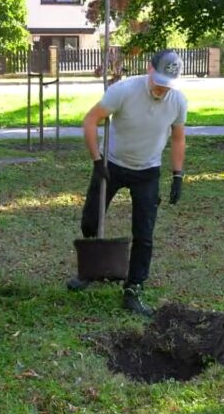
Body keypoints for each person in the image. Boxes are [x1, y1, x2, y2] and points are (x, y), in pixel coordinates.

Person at [68, 49, 188, 317]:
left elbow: (178, 138)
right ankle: (91, 271)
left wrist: (177, 174)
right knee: (90, 220)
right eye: (158, 82)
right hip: (112, 164)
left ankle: (133, 287)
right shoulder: (123, 90)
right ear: (149, 69)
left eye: (167, 85)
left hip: (148, 171)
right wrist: (97, 161)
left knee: (144, 234)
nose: (161, 89)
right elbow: (90, 120)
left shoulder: (178, 101)